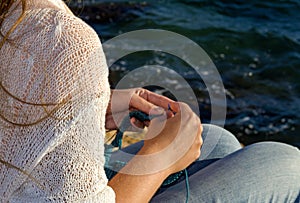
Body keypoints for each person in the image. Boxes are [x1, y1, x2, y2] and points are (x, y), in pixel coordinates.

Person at [0, 0, 299, 202]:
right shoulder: (61, 38)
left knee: (218, 142)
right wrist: (162, 156)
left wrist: (83, 106)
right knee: (287, 163)